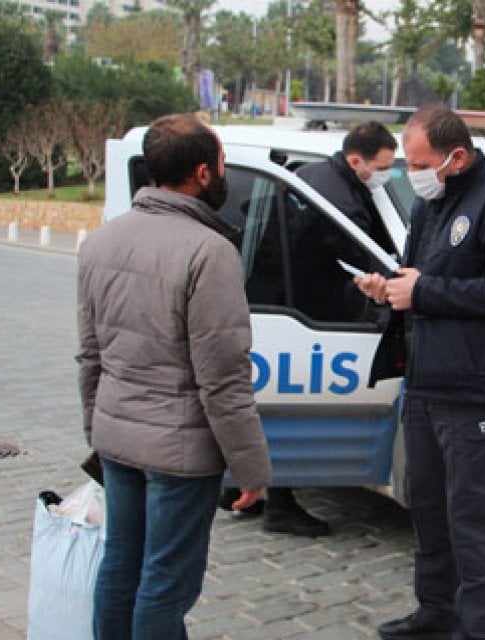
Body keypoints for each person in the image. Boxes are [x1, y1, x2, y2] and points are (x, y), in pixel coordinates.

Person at [76, 113, 271, 639]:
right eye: (223, 162)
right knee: (165, 582)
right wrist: (251, 470)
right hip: (180, 455)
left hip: (119, 438)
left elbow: (89, 356)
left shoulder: (101, 241)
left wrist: (98, 429)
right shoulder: (209, 252)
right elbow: (224, 378)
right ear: (204, 173)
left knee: (121, 564)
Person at [355, 104, 485, 640]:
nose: (412, 174)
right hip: (426, 383)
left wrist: (423, 290)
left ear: (455, 156)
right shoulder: (431, 207)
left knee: (473, 518)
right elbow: (422, 278)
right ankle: (435, 611)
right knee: (430, 511)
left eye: (419, 163)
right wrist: (390, 287)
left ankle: (479, 628)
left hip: (475, 389)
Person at [221, 121, 399, 538]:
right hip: (299, 309)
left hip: (277, 295)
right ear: (358, 161)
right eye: (385, 166)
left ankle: (235, 487)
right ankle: (280, 505)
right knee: (275, 410)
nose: (387, 174)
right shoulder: (343, 199)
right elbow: (365, 255)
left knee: (257, 411)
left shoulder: (314, 174)